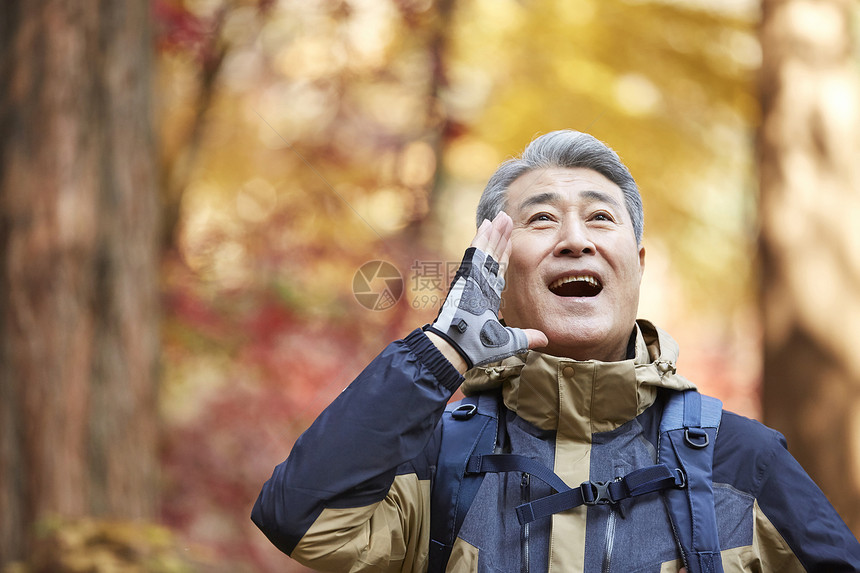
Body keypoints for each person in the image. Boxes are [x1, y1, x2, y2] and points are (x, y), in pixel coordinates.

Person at [251, 130, 860, 572]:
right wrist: (441, 351)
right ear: (496, 268)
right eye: (541, 221)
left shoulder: (740, 460)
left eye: (601, 219)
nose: (575, 240)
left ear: (637, 264)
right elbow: (301, 521)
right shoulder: (435, 459)